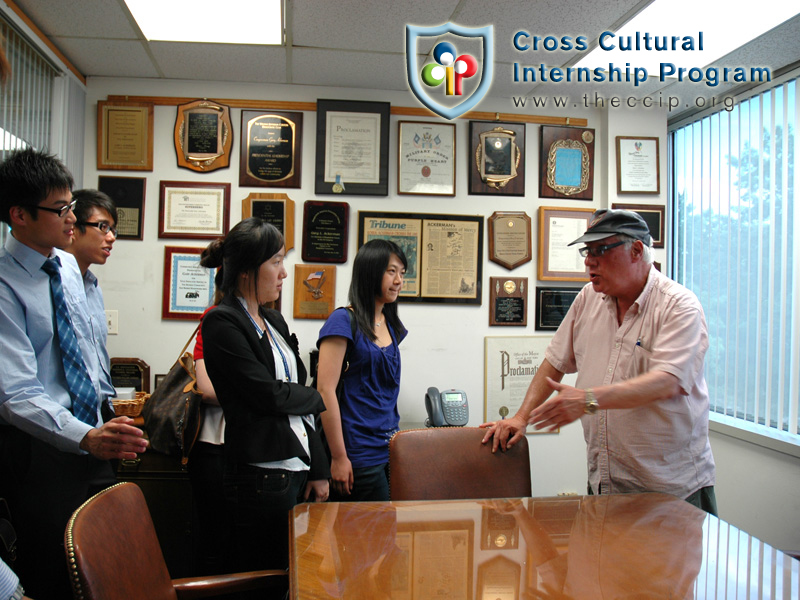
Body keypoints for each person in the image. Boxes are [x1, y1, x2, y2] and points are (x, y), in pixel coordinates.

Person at [481, 208, 717, 514]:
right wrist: (521, 417)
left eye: (601, 250)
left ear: (636, 250)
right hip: (606, 485)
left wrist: (588, 400)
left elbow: (667, 382)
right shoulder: (588, 298)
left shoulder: (679, 306)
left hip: (670, 493)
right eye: (586, 251)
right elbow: (555, 361)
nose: (589, 261)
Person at [0, 148, 148, 599]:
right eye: (60, 209)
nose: (72, 218)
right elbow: (17, 394)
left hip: (93, 440)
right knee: (55, 574)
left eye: (71, 205)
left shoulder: (66, 266)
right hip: (39, 451)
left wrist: (109, 415)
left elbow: (86, 348)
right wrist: (84, 435)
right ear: (19, 215)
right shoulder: (4, 284)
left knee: (107, 569)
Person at [199, 217, 329, 573]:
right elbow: (267, 395)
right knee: (266, 575)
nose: (284, 273)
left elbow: (297, 405)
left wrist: (319, 468)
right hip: (260, 476)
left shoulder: (274, 322)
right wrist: (316, 397)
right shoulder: (221, 322)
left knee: (298, 573)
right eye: (275, 262)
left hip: (297, 467)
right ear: (246, 271)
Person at [316, 239, 408, 501]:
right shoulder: (343, 321)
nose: (399, 280)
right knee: (367, 537)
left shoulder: (391, 325)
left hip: (390, 448)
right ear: (370, 271)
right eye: (391, 271)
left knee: (387, 535)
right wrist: (338, 457)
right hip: (357, 453)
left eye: (402, 273)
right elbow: (325, 391)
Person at [64, 189, 118, 407]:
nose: (111, 238)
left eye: (113, 229)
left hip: (97, 408)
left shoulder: (92, 287)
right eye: (103, 227)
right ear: (73, 228)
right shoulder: (54, 284)